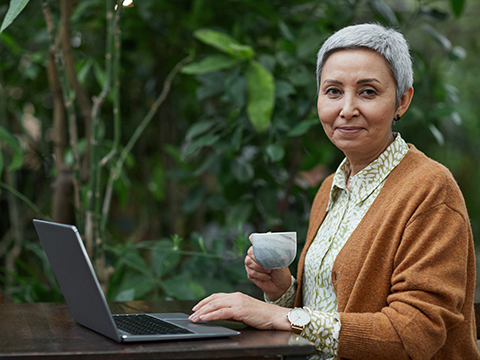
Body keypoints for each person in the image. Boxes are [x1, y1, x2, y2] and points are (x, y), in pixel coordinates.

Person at [189, 23, 480, 359]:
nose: (346, 109)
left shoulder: (430, 190)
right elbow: (325, 311)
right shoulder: (331, 187)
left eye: (368, 92)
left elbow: (414, 333)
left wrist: (278, 315)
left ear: (402, 100)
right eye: (333, 91)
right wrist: (283, 291)